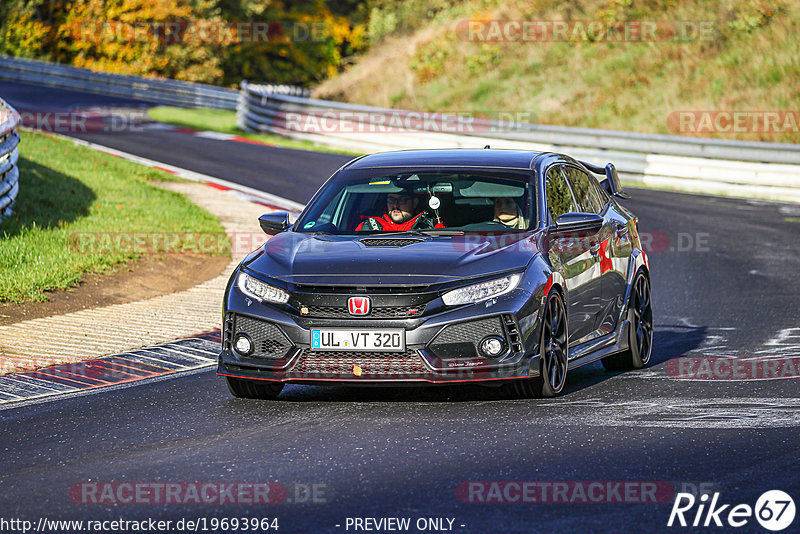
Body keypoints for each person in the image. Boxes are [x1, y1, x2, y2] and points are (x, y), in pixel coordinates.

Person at [356, 189, 442, 231]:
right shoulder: (369, 226)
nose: (395, 205)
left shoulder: (431, 226)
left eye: (402, 200)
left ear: (415, 203)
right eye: (391, 199)